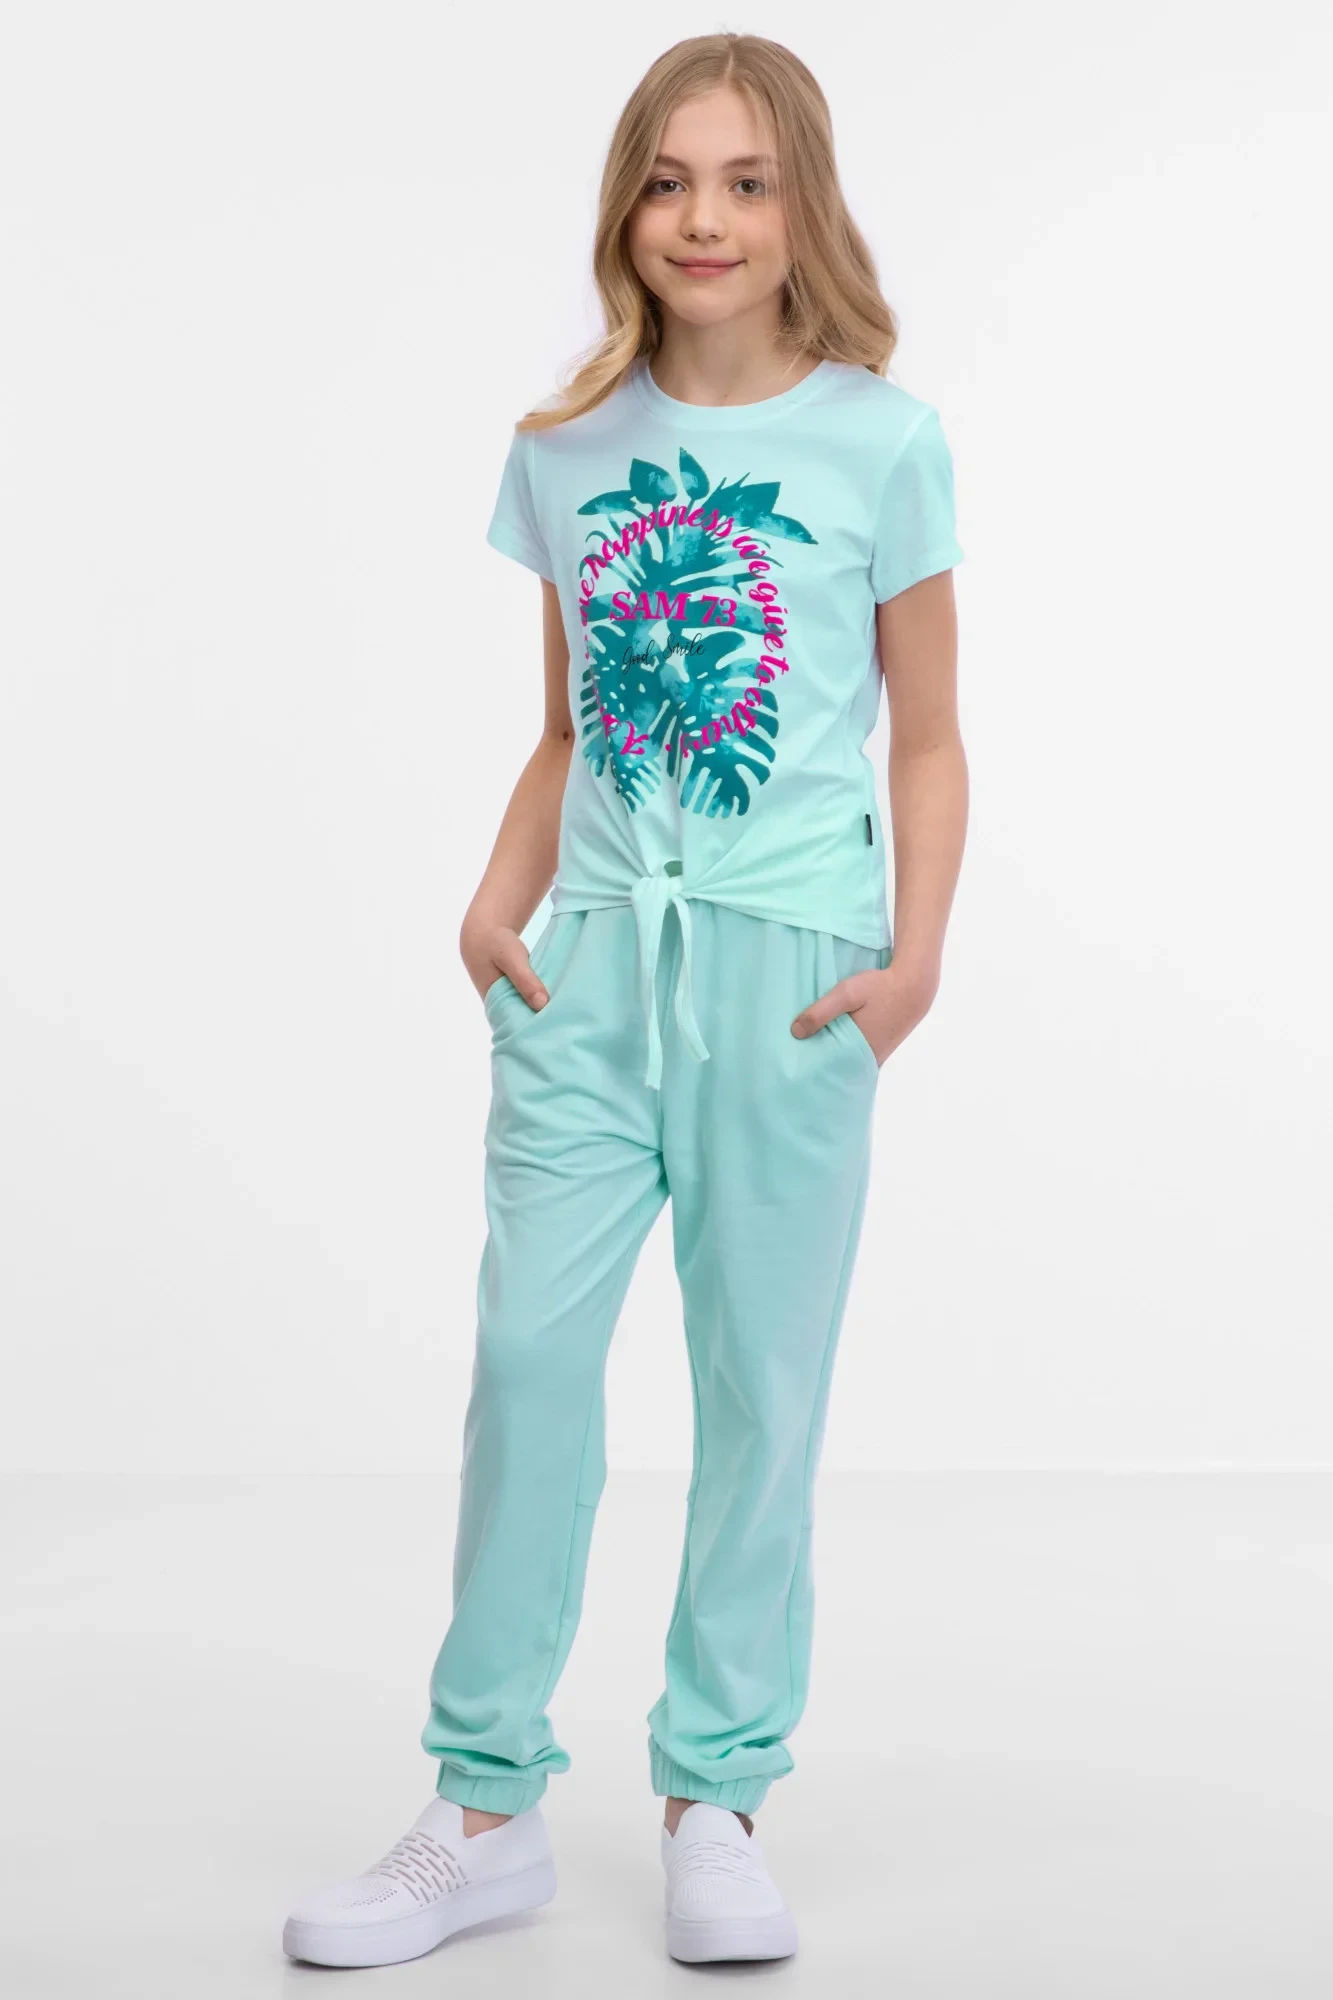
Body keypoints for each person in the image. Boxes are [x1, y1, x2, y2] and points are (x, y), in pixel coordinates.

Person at [283, 28, 967, 1972]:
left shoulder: (883, 442)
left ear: (804, 205)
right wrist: (497, 909)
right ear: (625, 210)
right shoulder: (565, 449)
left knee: (760, 1391)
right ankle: (482, 1804)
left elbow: (929, 737)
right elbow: (569, 727)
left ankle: (717, 1797)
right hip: (589, 965)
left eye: (746, 181)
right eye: (668, 181)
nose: (704, 218)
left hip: (794, 973)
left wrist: (910, 962)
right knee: (527, 1361)